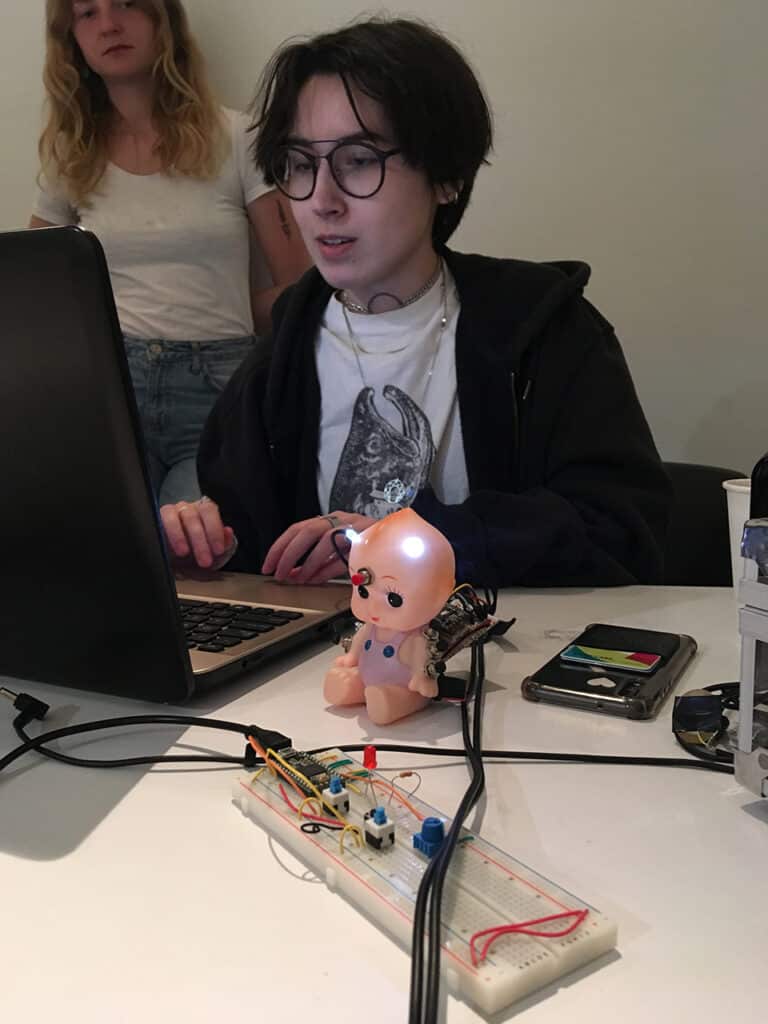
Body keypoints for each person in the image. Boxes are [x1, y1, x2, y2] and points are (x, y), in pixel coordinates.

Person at [161, 16, 671, 589]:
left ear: (446, 175)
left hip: (500, 662)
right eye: (301, 165)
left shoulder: (545, 327)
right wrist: (206, 544)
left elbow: (620, 527)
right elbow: (257, 541)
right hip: (329, 670)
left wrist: (420, 542)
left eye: (358, 159)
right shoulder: (282, 352)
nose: (321, 200)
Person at [30, 0, 310, 504]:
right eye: (87, 13)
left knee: (194, 556)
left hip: (216, 388)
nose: (109, 24)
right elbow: (33, 292)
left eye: (127, 5)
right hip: (110, 390)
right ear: (70, 37)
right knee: (112, 557)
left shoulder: (238, 138)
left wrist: (211, 311)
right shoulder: (71, 155)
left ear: (164, 19)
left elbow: (301, 289)